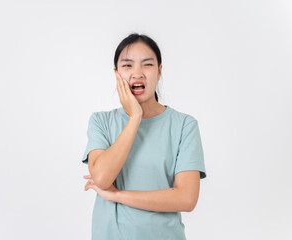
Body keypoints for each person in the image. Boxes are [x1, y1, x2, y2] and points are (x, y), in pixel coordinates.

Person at [81, 33, 207, 240]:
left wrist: (117, 195)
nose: (137, 73)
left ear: (159, 72)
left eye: (147, 65)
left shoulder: (184, 125)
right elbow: (102, 179)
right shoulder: (101, 122)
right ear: (116, 73)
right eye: (128, 65)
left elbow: (186, 198)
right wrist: (135, 118)